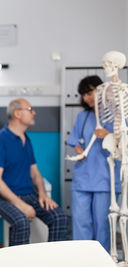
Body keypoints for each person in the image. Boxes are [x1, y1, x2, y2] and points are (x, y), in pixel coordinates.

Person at [0, 98, 67, 246]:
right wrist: (21, 205)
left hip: (29, 195)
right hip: (3, 199)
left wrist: (43, 194)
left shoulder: (26, 139)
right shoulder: (0, 139)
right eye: (30, 109)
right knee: (21, 222)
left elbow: (35, 173)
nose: (34, 113)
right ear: (18, 113)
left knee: (59, 217)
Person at [66, 75, 121, 252]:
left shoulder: (116, 117)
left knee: (102, 225)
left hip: (105, 179)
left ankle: (101, 259)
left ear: (101, 91)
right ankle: (80, 259)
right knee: (80, 222)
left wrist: (108, 135)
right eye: (83, 95)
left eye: (89, 93)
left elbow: (124, 144)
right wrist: (79, 152)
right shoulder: (83, 116)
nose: (86, 98)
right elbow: (75, 140)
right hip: (83, 177)